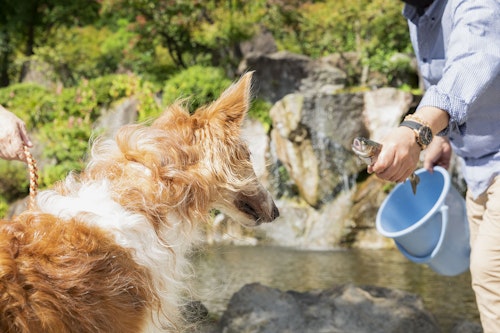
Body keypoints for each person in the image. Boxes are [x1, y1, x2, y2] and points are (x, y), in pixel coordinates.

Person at [368, 0, 500, 331]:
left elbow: (473, 63)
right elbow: (441, 81)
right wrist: (441, 138)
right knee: (485, 280)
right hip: (478, 169)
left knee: (490, 275)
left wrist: (417, 131)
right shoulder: (418, 15)